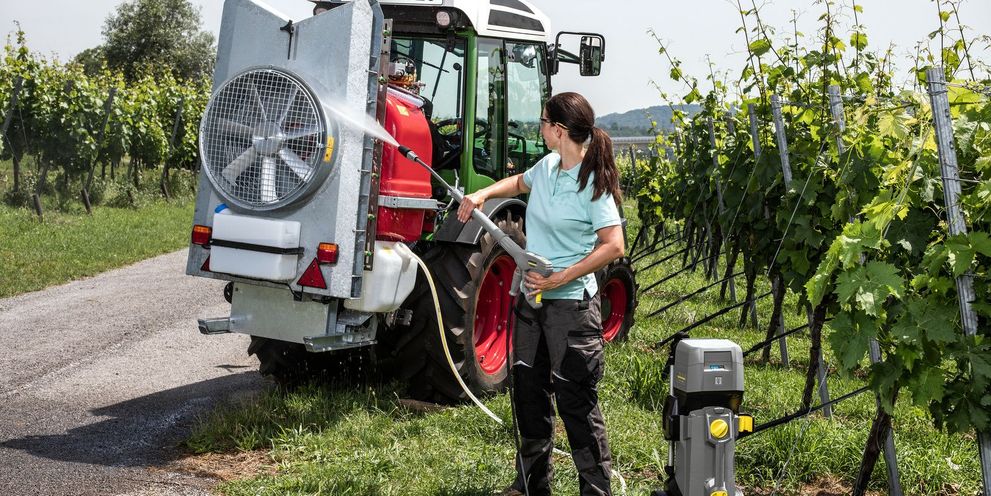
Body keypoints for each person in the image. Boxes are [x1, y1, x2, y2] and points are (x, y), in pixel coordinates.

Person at [456, 92, 624, 496]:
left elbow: (613, 245)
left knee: (576, 404)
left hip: (571, 310)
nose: (540, 126)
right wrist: (483, 194)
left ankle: (596, 492)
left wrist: (560, 277)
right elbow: (519, 181)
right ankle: (531, 487)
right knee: (528, 395)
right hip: (531, 303)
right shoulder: (548, 165)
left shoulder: (592, 183)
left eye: (544, 121)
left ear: (559, 130)